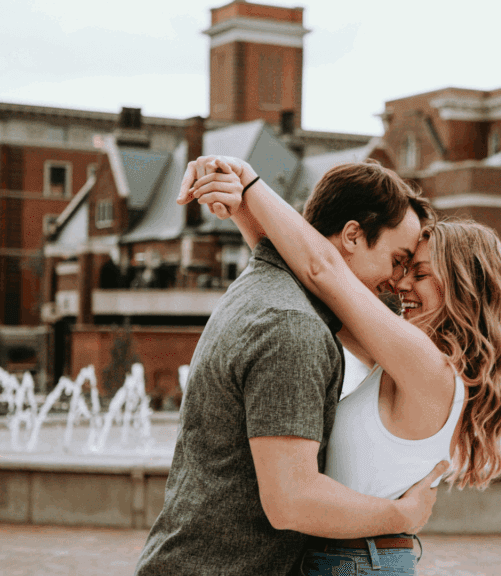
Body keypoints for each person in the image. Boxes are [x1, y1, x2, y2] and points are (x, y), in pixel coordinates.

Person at [186, 156, 501, 575]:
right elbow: (305, 283)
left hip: (356, 561)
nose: (401, 283)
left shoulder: (428, 367)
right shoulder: (409, 357)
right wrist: (241, 209)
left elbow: (323, 269)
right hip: (355, 558)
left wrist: (250, 182)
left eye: (418, 272)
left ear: (462, 287)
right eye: (403, 266)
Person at [135, 161, 446, 576]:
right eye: (398, 259)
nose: (397, 279)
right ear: (353, 235)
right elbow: (292, 500)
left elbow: (324, 273)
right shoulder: (292, 326)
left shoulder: (263, 288)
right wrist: (403, 516)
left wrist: (247, 203)